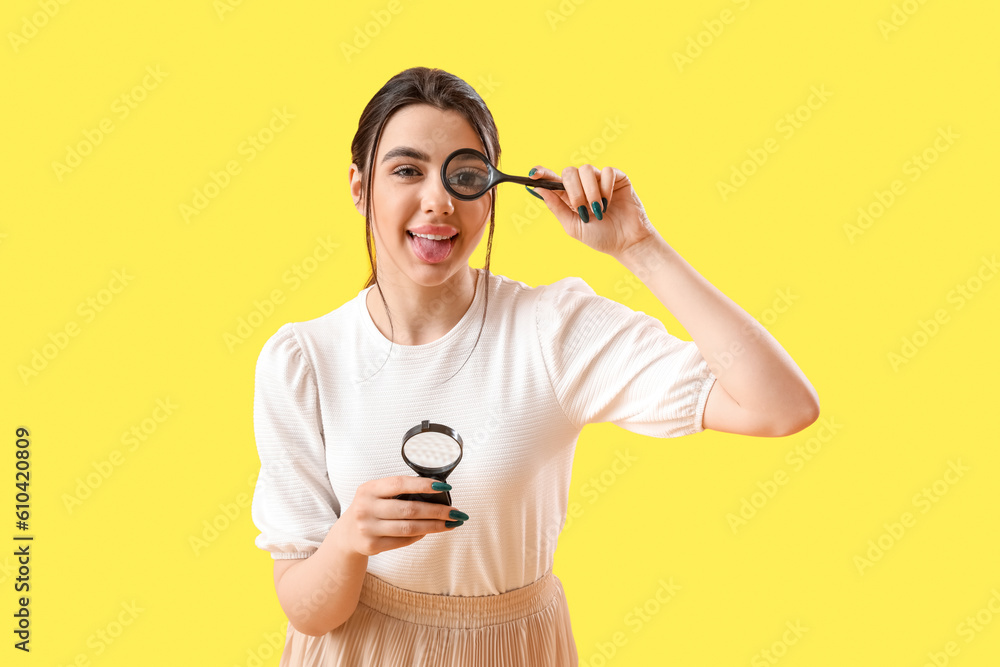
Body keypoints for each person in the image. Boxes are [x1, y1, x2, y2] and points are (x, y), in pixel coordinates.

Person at [250, 66, 819, 667]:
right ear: (360, 188)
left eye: (465, 175)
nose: (438, 201)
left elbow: (781, 406)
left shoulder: (553, 331)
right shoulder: (303, 361)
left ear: (490, 191)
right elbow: (310, 612)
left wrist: (638, 246)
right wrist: (349, 542)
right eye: (406, 171)